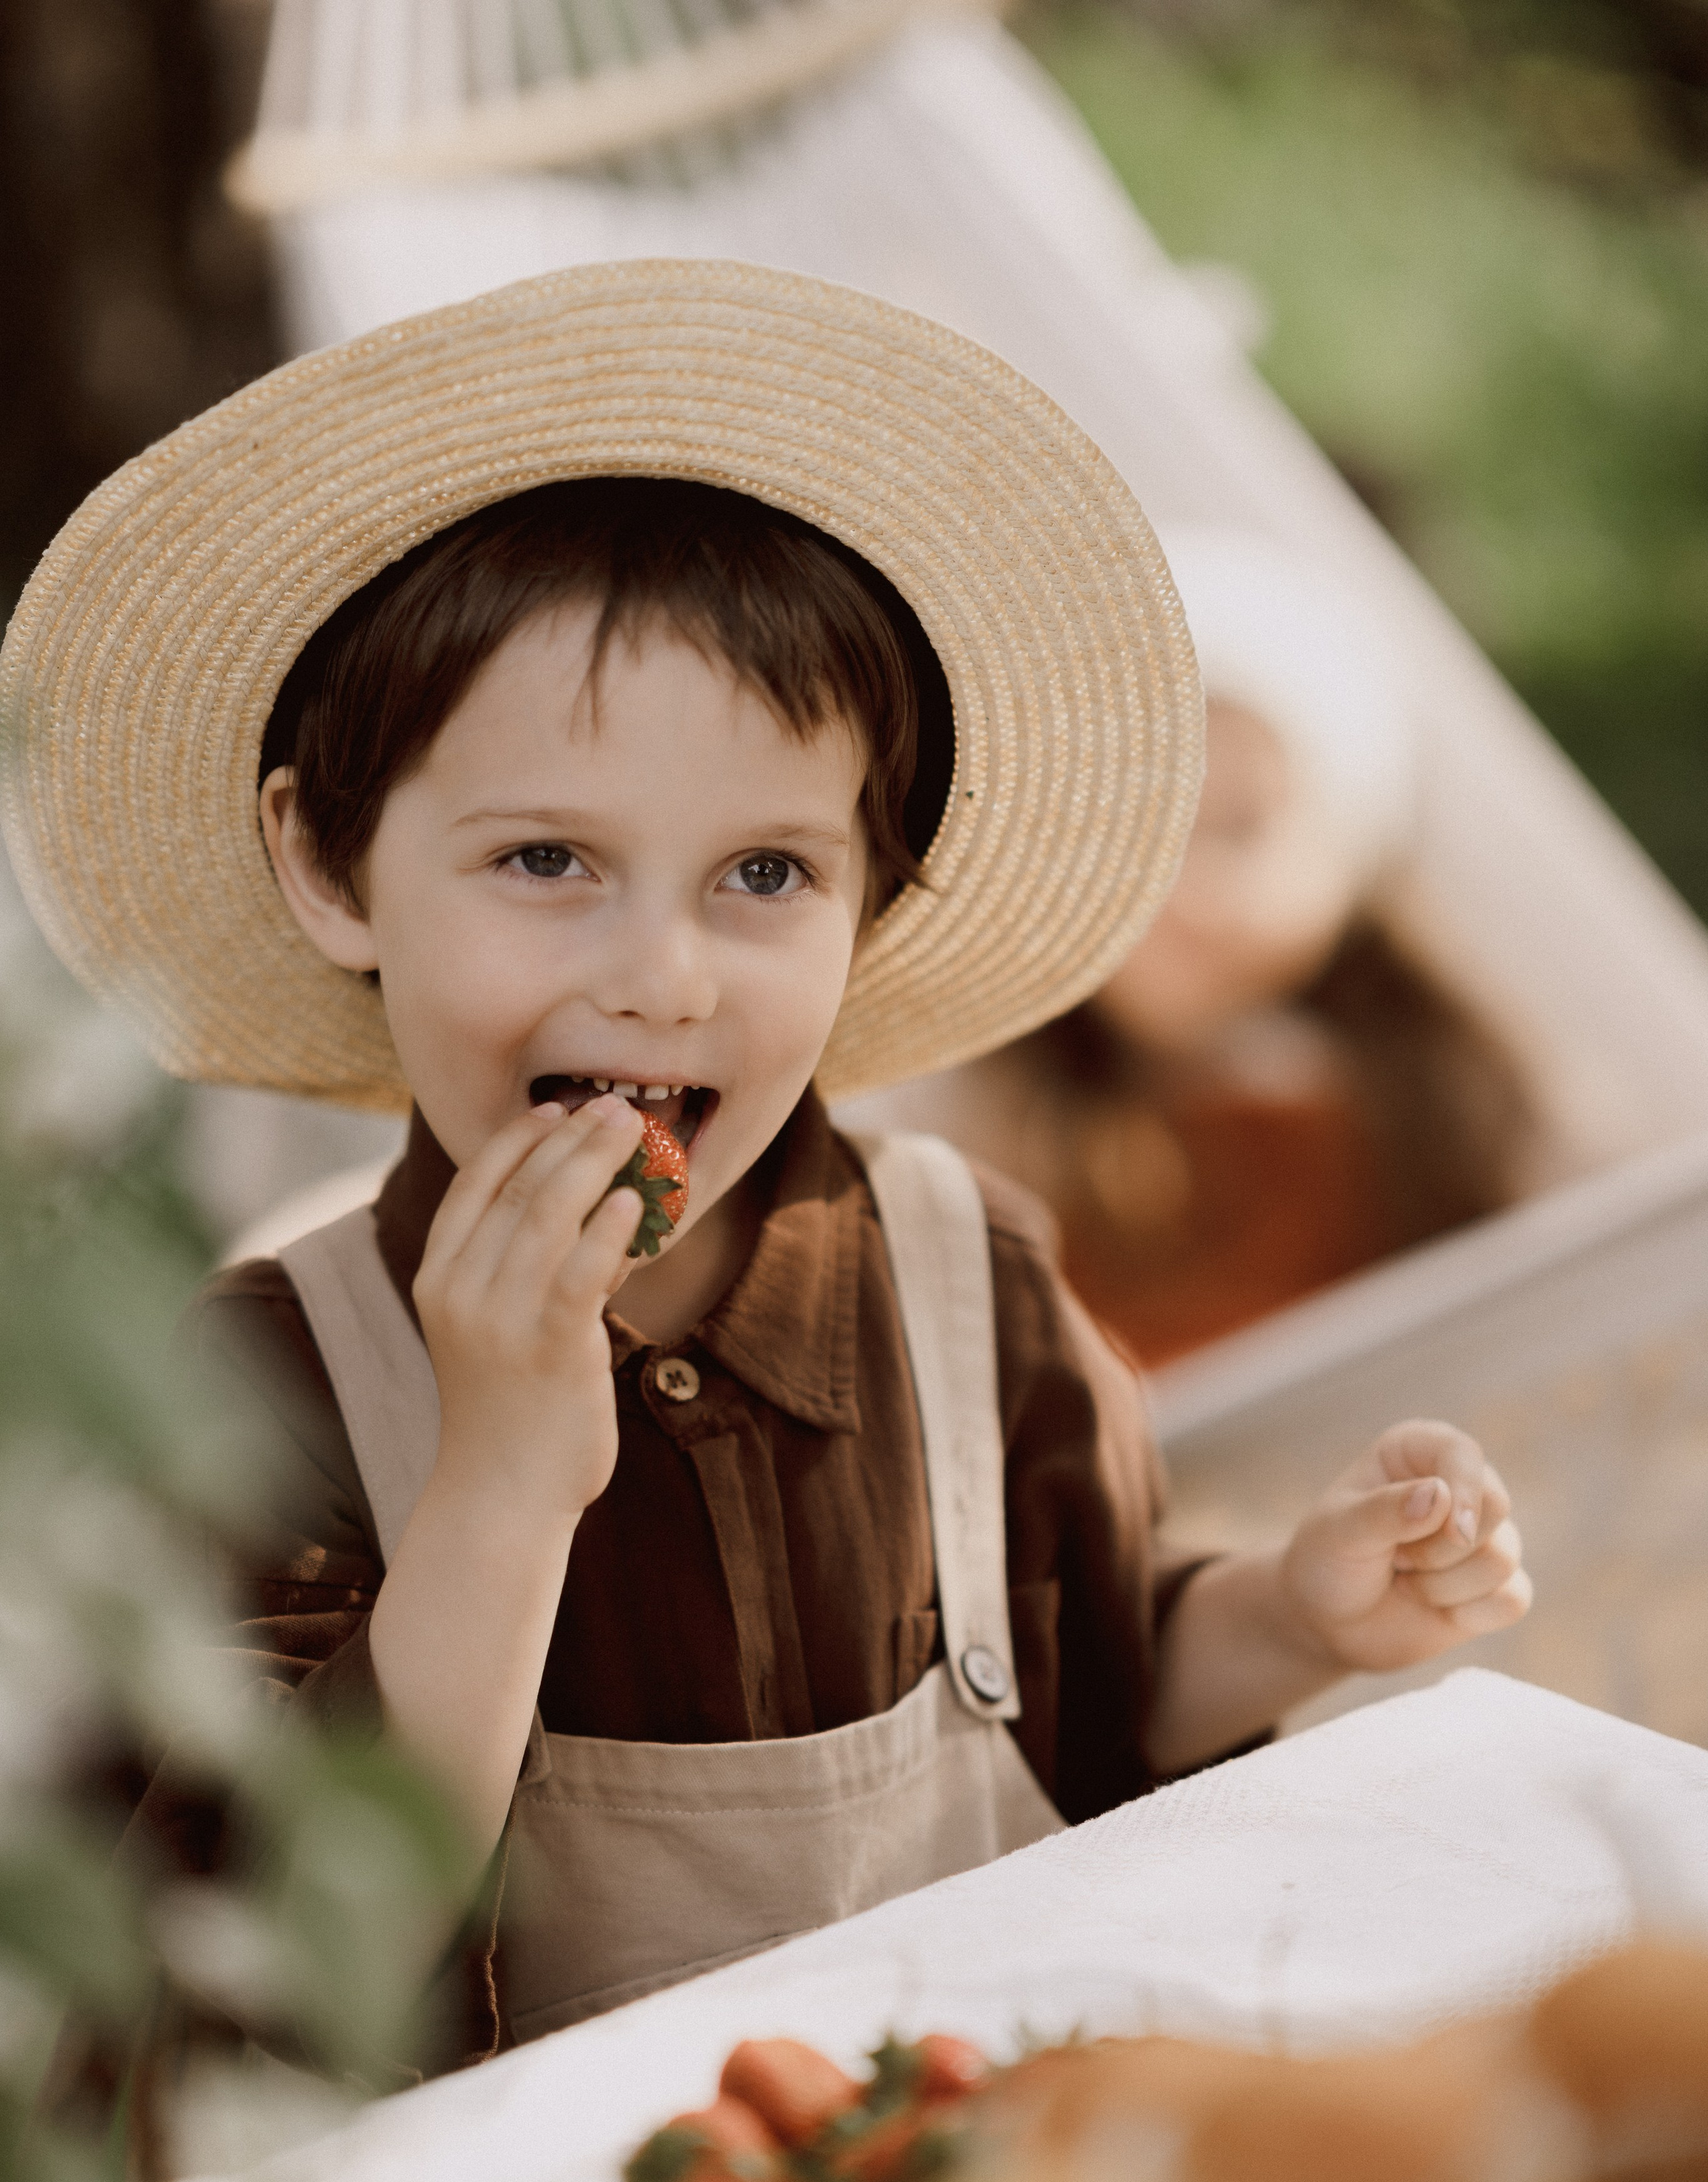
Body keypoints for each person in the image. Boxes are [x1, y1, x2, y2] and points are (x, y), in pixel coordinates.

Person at [0, 265, 1531, 2073]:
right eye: (548, 859)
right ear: (330, 865)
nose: (663, 973)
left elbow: (1099, 1691)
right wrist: (495, 1485)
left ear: (870, 897)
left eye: (765, 875)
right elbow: (252, 1987)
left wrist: (1289, 1618)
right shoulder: (259, 1387)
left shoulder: (967, 1283)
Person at [859, 529, 1537, 1366]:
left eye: (1238, 828)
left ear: (1349, 859)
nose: (1183, 888)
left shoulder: (1424, 1112)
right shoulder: (953, 1120)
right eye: (1138, 829)